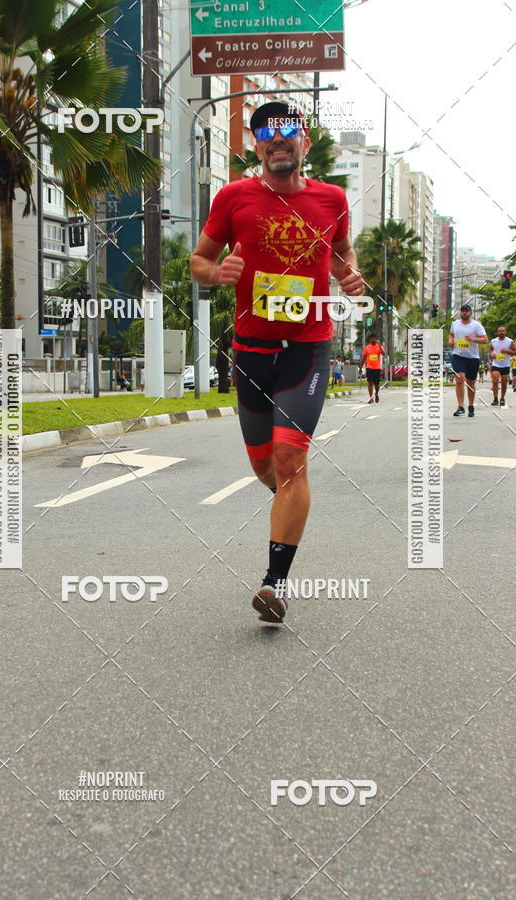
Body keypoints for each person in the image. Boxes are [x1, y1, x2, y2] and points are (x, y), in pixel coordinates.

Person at [189, 100, 364, 623]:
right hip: (251, 352)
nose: (277, 138)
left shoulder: (332, 198)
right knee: (264, 466)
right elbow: (198, 260)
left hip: (307, 349)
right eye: (266, 133)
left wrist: (348, 274)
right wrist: (216, 273)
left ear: (304, 141)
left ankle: (274, 583)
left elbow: (343, 252)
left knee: (290, 462)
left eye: (288, 130)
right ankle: (291, 499)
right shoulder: (233, 197)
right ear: (257, 146)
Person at [448, 304, 487, 416]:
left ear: (470, 313)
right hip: (458, 355)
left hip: (472, 357)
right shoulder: (455, 324)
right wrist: (450, 340)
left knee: (471, 383)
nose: (464, 313)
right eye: (462, 311)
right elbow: (451, 334)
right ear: (460, 312)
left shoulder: (476, 325)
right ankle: (461, 406)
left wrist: (473, 339)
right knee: (459, 379)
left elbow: (485, 340)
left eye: (466, 311)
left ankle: (471, 405)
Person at [489, 325, 515, 406]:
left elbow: (515, 351)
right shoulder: (494, 341)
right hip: (496, 364)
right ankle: (495, 398)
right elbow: (490, 349)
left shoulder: (510, 341)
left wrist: (507, 351)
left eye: (502, 331)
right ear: (497, 332)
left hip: (505, 365)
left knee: (504, 383)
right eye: (499, 331)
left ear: (505, 332)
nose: (501, 332)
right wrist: (492, 354)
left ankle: (502, 398)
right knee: (495, 381)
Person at [359, 334, 385, 403]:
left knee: (377, 383)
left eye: (374, 338)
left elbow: (383, 354)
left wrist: (380, 346)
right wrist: (360, 367)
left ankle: (376, 393)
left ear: (376, 339)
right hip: (369, 367)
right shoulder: (367, 348)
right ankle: (371, 398)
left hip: (377, 368)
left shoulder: (379, 347)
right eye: (372, 339)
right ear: (370, 340)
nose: (373, 340)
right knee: (370, 383)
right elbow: (364, 358)